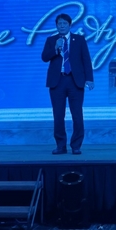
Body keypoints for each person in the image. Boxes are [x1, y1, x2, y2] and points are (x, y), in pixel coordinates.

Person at [41, 13, 94, 155]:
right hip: (57, 81)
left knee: (77, 114)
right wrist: (55, 49)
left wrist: (89, 79)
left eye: (64, 23)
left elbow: (86, 60)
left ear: (70, 25)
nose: (62, 26)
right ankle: (60, 146)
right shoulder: (51, 40)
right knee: (58, 115)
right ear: (56, 26)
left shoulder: (79, 40)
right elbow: (44, 57)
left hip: (75, 81)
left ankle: (76, 145)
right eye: (59, 24)